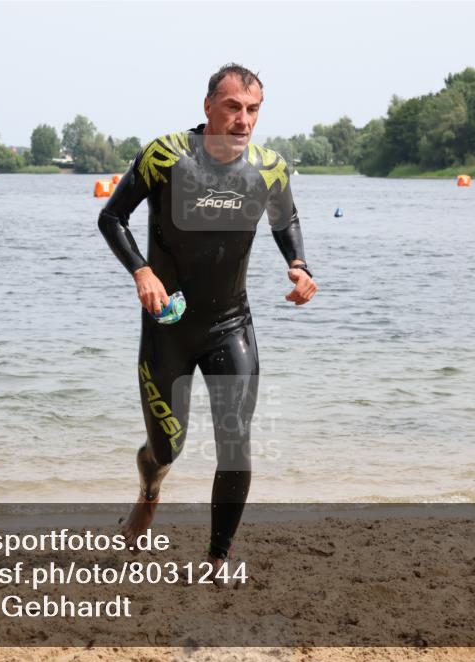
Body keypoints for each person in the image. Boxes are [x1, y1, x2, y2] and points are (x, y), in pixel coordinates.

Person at [98, 64, 317, 567]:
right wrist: (141, 271)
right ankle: (150, 493)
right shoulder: (165, 155)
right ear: (208, 107)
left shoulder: (269, 167)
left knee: (236, 445)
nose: (244, 120)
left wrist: (299, 265)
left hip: (230, 325)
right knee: (165, 450)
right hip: (168, 329)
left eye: (253, 110)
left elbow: (287, 219)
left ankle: (218, 558)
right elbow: (112, 218)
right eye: (233, 107)